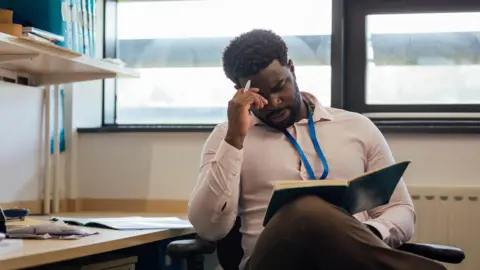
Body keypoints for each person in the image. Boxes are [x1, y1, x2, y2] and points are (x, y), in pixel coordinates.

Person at [188, 29, 446, 270]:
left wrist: (368, 233)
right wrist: (235, 137)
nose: (274, 103)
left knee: (314, 215)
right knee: (304, 208)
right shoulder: (228, 136)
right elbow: (209, 229)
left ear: (292, 69)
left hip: (346, 263)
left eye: (280, 87)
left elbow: (401, 210)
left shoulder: (357, 126)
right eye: (260, 96)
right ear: (240, 92)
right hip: (270, 261)